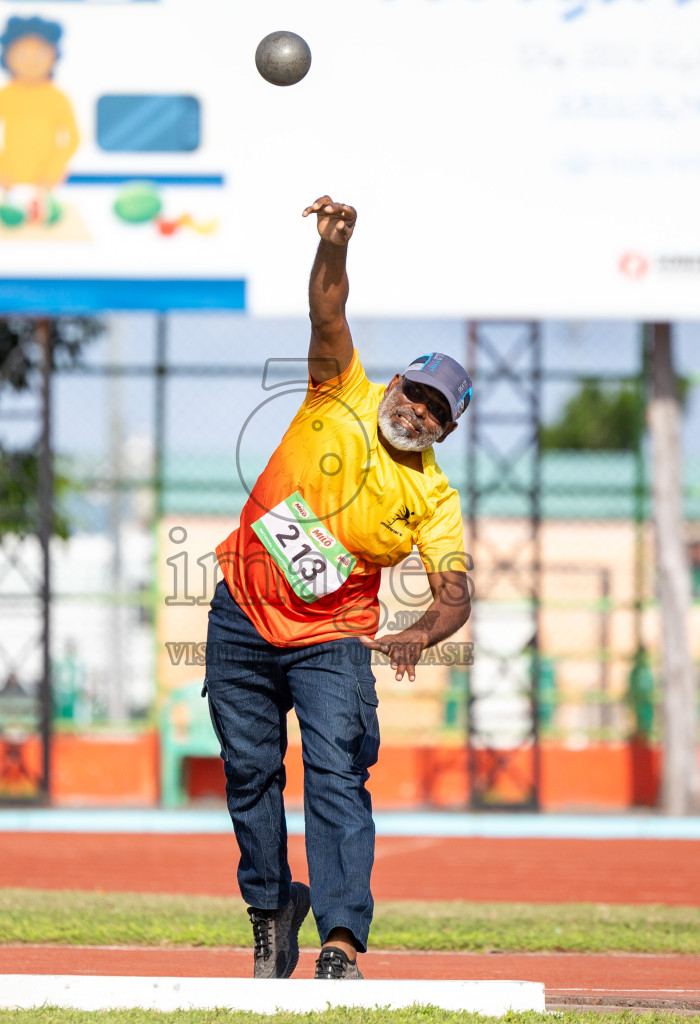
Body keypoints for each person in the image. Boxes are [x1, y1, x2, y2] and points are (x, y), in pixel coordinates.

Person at [206, 196, 473, 981]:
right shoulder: (342, 391)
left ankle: (340, 943)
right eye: (415, 394)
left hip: (330, 641)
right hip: (242, 616)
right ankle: (270, 911)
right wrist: (333, 249)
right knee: (249, 774)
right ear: (394, 383)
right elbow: (329, 306)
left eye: (435, 412)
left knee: (335, 774)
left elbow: (454, 594)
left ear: (446, 431)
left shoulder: (435, 500)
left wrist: (419, 634)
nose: (417, 413)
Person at [0, 16, 80, 228]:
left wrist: (55, 168)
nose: (31, 61)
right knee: (9, 222)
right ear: (7, 57)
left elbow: (73, 138)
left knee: (46, 223)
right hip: (8, 176)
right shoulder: (1, 96)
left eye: (39, 53)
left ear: (54, 56)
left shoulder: (58, 98)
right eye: (21, 53)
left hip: (46, 179)